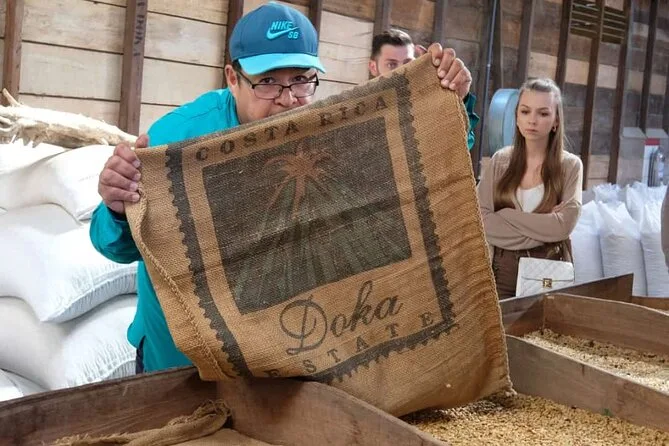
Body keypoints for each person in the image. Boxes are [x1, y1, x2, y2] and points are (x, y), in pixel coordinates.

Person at [90, 2, 476, 373]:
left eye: (301, 80)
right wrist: (117, 208)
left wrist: (450, 100)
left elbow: (416, 161)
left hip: (282, 351)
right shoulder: (177, 139)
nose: (288, 100)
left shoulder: (319, 128)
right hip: (180, 362)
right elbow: (118, 247)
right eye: (269, 82)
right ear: (232, 78)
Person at [477, 78, 583, 300]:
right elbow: (480, 220)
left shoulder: (570, 165)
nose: (532, 120)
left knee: (542, 324)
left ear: (556, 121)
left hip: (547, 270)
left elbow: (562, 227)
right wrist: (544, 228)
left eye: (543, 113)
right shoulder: (500, 160)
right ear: (517, 117)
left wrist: (505, 216)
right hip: (500, 270)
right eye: (525, 111)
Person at [368, 29, 479, 150]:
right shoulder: (360, 111)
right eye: (391, 64)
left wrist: (456, 101)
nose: (401, 71)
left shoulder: (426, 107)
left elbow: (459, 146)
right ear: (373, 67)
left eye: (407, 63)